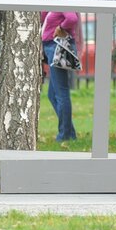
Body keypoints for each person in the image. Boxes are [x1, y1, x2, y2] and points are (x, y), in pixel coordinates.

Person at [41, 11, 79, 141]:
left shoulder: (64, 1)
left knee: (61, 93)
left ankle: (65, 136)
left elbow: (72, 18)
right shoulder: (54, 2)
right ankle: (70, 133)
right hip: (50, 47)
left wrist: (61, 27)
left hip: (57, 47)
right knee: (53, 95)